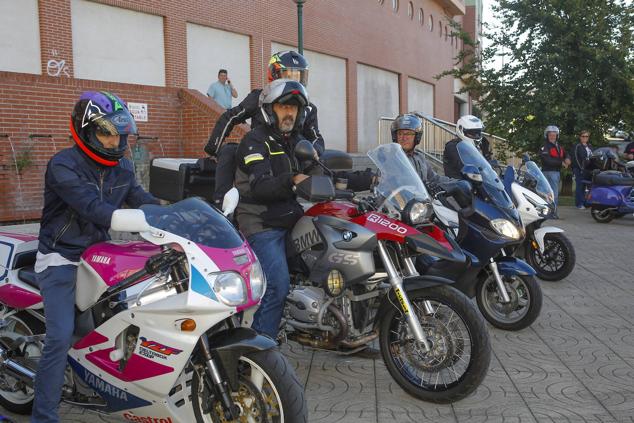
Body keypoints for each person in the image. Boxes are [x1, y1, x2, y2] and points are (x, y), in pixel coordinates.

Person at [32, 91, 159, 422]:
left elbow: (142, 199)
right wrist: (125, 220)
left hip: (99, 255)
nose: (115, 141)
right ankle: (43, 416)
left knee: (136, 311)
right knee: (60, 336)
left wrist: (176, 215)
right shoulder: (63, 164)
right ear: (85, 131)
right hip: (60, 257)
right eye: (106, 132)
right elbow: (89, 205)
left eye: (119, 133)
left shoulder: (123, 168)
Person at [233, 79, 314, 339]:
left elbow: (322, 170)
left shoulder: (296, 141)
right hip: (261, 222)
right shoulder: (253, 141)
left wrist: (366, 179)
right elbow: (261, 186)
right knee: (277, 285)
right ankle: (259, 352)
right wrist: (291, 180)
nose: (289, 113)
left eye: (293, 108)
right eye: (283, 106)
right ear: (270, 108)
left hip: (290, 218)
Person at [204, 51, 324, 206]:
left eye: (298, 76)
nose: (294, 80)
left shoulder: (308, 107)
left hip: (290, 153)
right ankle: (221, 203)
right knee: (228, 151)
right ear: (273, 74)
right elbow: (231, 117)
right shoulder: (259, 97)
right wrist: (213, 149)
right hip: (259, 152)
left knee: (321, 161)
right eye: (287, 75)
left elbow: (316, 137)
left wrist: (315, 152)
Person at [540, 125, 571, 217]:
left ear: (557, 135)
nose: (553, 136)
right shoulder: (544, 147)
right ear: (547, 135)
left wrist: (568, 158)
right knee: (546, 193)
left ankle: (553, 213)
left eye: (554, 135)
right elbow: (547, 160)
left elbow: (566, 154)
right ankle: (547, 213)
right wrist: (561, 163)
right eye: (550, 135)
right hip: (547, 172)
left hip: (556, 173)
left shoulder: (559, 147)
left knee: (554, 194)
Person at [443, 115, 485, 179]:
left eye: (478, 133)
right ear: (461, 130)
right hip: (457, 184)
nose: (476, 136)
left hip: (474, 182)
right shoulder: (453, 147)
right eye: (472, 133)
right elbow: (464, 166)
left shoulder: (474, 147)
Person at [571, 130, 593, 209]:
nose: (585, 138)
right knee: (580, 186)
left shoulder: (589, 146)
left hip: (588, 170)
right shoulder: (577, 146)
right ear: (580, 137)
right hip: (579, 169)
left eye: (586, 136)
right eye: (583, 136)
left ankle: (584, 202)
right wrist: (581, 168)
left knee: (585, 187)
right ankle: (579, 204)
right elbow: (575, 158)